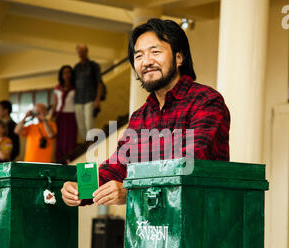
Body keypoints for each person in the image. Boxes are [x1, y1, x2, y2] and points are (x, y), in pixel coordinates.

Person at [61, 18, 230, 207]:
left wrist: (131, 191)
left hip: (202, 222)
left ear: (179, 57)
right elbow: (118, 166)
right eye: (139, 55)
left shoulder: (206, 101)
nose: (146, 62)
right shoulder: (140, 116)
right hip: (153, 227)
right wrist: (80, 189)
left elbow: (187, 165)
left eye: (155, 52)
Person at [73, 43, 103, 141]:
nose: (81, 53)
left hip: (90, 99)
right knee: (82, 128)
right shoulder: (76, 67)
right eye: (79, 52)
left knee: (90, 126)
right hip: (78, 101)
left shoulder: (94, 66)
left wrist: (97, 99)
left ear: (86, 52)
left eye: (82, 51)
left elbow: (99, 83)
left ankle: (92, 147)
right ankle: (87, 147)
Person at [53, 65, 77, 163]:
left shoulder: (75, 88)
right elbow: (55, 103)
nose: (66, 75)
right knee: (60, 139)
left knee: (70, 137)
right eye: (64, 73)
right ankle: (60, 160)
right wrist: (51, 116)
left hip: (71, 115)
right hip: (60, 115)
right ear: (61, 75)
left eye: (68, 72)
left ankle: (70, 159)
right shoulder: (57, 88)